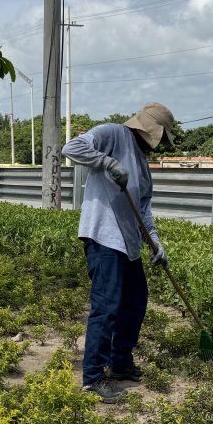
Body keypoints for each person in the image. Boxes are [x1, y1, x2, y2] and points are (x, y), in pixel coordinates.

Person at [61, 102, 175, 403]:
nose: (158, 144)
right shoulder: (112, 134)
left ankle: (121, 362)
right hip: (103, 237)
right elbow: (71, 148)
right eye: (160, 136)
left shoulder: (143, 165)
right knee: (107, 306)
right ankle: (93, 377)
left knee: (136, 301)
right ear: (149, 129)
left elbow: (144, 210)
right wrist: (108, 163)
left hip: (129, 243)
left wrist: (155, 241)